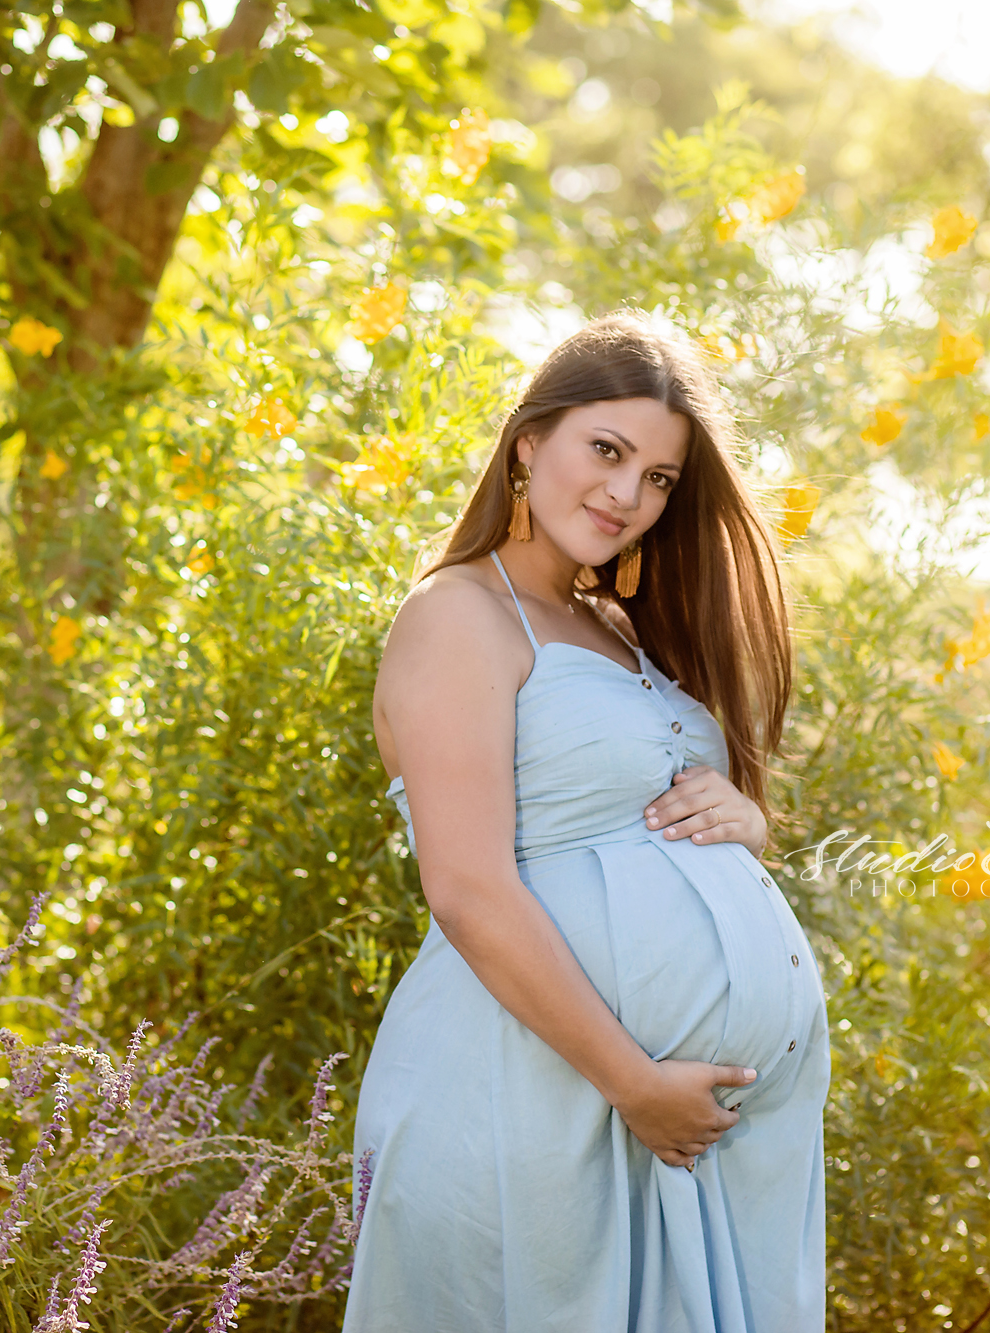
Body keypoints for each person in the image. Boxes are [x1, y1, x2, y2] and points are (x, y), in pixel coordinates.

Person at [344, 313, 828, 1332]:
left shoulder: (611, 625)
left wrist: (741, 816)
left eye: (656, 477)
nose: (626, 494)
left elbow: (647, 809)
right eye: (605, 451)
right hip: (533, 1100)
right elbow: (467, 886)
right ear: (528, 441)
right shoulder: (456, 615)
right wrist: (632, 1080)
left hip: (664, 1133)